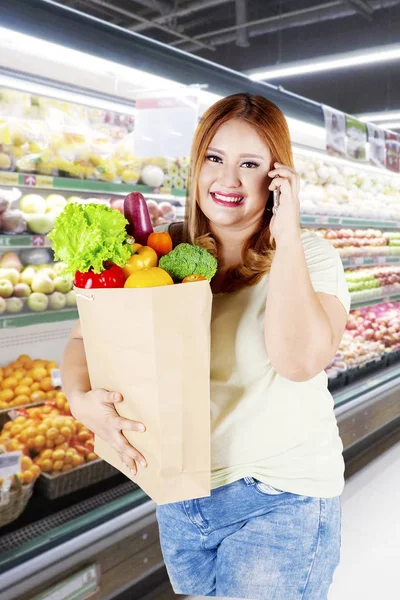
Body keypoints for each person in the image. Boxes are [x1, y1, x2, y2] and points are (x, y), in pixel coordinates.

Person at [61, 93, 351, 600]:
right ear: (196, 165)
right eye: (215, 158)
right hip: (181, 492)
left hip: (277, 496)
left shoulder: (310, 254)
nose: (228, 179)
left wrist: (286, 234)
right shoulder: (157, 249)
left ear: (277, 177)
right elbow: (86, 337)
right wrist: (82, 402)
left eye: (250, 164)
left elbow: (300, 360)